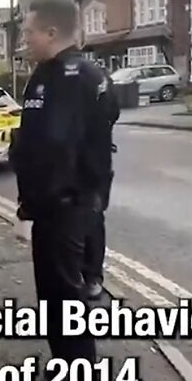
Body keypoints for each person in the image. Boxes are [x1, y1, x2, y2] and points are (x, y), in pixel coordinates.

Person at [9, 0, 116, 381]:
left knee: (61, 304)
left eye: (28, 31)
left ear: (51, 33)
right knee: (64, 301)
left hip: (62, 208)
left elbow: (53, 148)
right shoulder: (73, 72)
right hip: (76, 206)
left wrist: (29, 208)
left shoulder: (65, 77)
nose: (23, 39)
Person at [82, 63, 120, 301]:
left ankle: (92, 276)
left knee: (92, 218)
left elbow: (111, 112)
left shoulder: (98, 77)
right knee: (88, 218)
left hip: (92, 160)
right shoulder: (99, 75)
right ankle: (89, 276)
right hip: (84, 160)